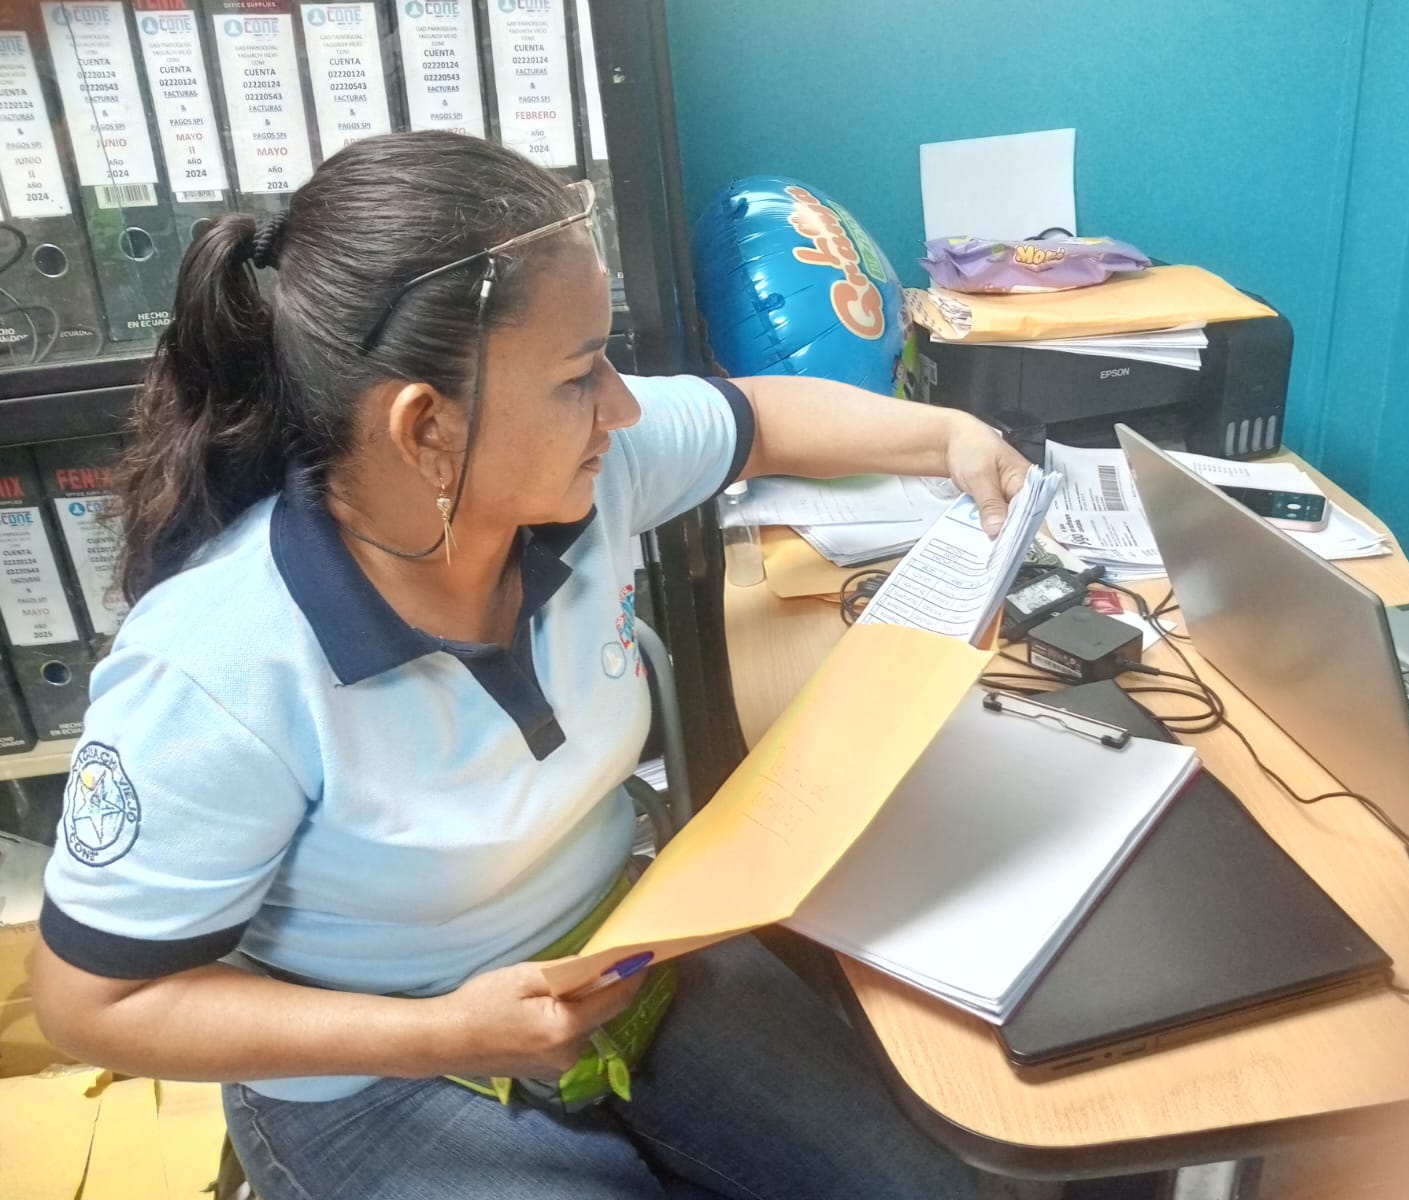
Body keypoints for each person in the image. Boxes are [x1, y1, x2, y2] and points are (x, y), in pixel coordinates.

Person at [27, 132, 1028, 1199]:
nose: (623, 406)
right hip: (374, 1066)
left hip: (617, 950)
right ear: (426, 429)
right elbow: (95, 1005)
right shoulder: (217, 669)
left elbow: (760, 418)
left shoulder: (585, 472)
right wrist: (446, 1033)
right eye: (578, 374)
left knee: (937, 1189)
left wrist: (949, 439)